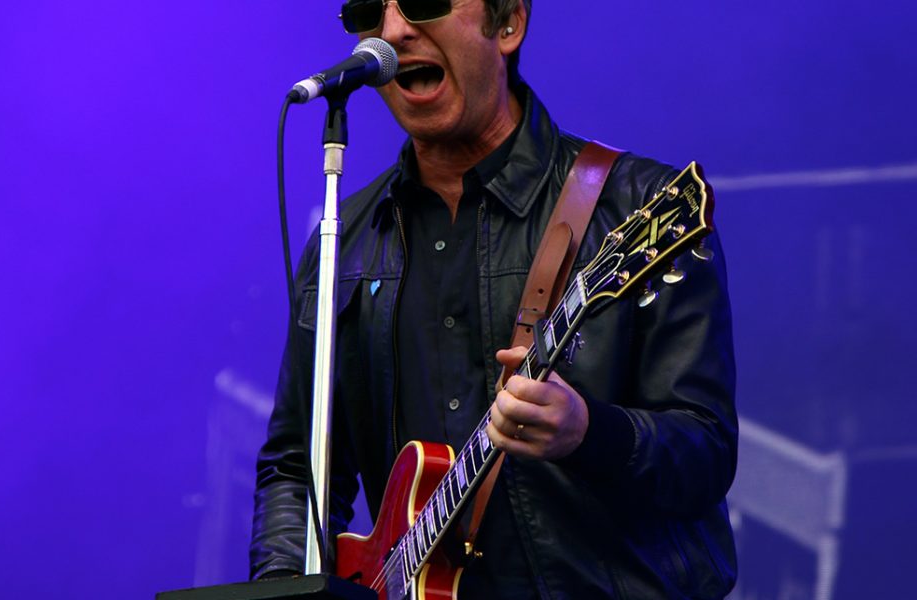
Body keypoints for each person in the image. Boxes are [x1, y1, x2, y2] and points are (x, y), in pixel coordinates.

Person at [251, 0, 738, 597]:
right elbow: (297, 467)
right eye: (369, 11)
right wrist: (283, 585)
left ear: (509, 24)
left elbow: (706, 453)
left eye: (424, 2)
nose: (394, 30)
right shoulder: (344, 240)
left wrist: (590, 433)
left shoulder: (634, 206)